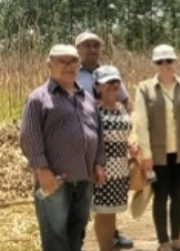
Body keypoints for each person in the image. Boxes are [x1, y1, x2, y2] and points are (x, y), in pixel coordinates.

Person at [20, 44, 106, 251]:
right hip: (54, 179)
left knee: (77, 231)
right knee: (55, 234)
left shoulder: (86, 98)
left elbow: (99, 132)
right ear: (49, 65)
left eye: (73, 61)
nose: (68, 66)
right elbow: (29, 136)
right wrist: (42, 169)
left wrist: (99, 163)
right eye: (62, 61)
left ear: (79, 65)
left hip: (84, 178)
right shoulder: (39, 98)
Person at [133, 44, 180, 251]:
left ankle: (176, 239)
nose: (165, 65)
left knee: (179, 195)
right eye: (160, 62)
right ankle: (163, 241)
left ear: (175, 62)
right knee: (161, 195)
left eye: (169, 61)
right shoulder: (144, 88)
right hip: (157, 154)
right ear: (154, 64)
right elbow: (142, 124)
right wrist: (146, 155)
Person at [73, 31, 135, 248]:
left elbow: (126, 101)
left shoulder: (110, 73)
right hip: (90, 154)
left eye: (96, 46)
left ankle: (112, 238)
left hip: (116, 157)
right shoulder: (72, 74)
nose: (92, 49)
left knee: (108, 208)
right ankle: (77, 242)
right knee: (84, 205)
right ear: (78, 49)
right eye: (87, 45)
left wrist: (126, 133)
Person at [90, 66, 136, 251]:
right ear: (97, 86)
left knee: (112, 212)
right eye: (108, 82)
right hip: (103, 168)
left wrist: (130, 145)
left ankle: (109, 246)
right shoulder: (93, 109)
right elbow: (91, 140)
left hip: (120, 168)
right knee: (102, 213)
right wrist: (96, 165)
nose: (113, 86)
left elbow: (124, 135)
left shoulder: (120, 108)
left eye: (116, 82)